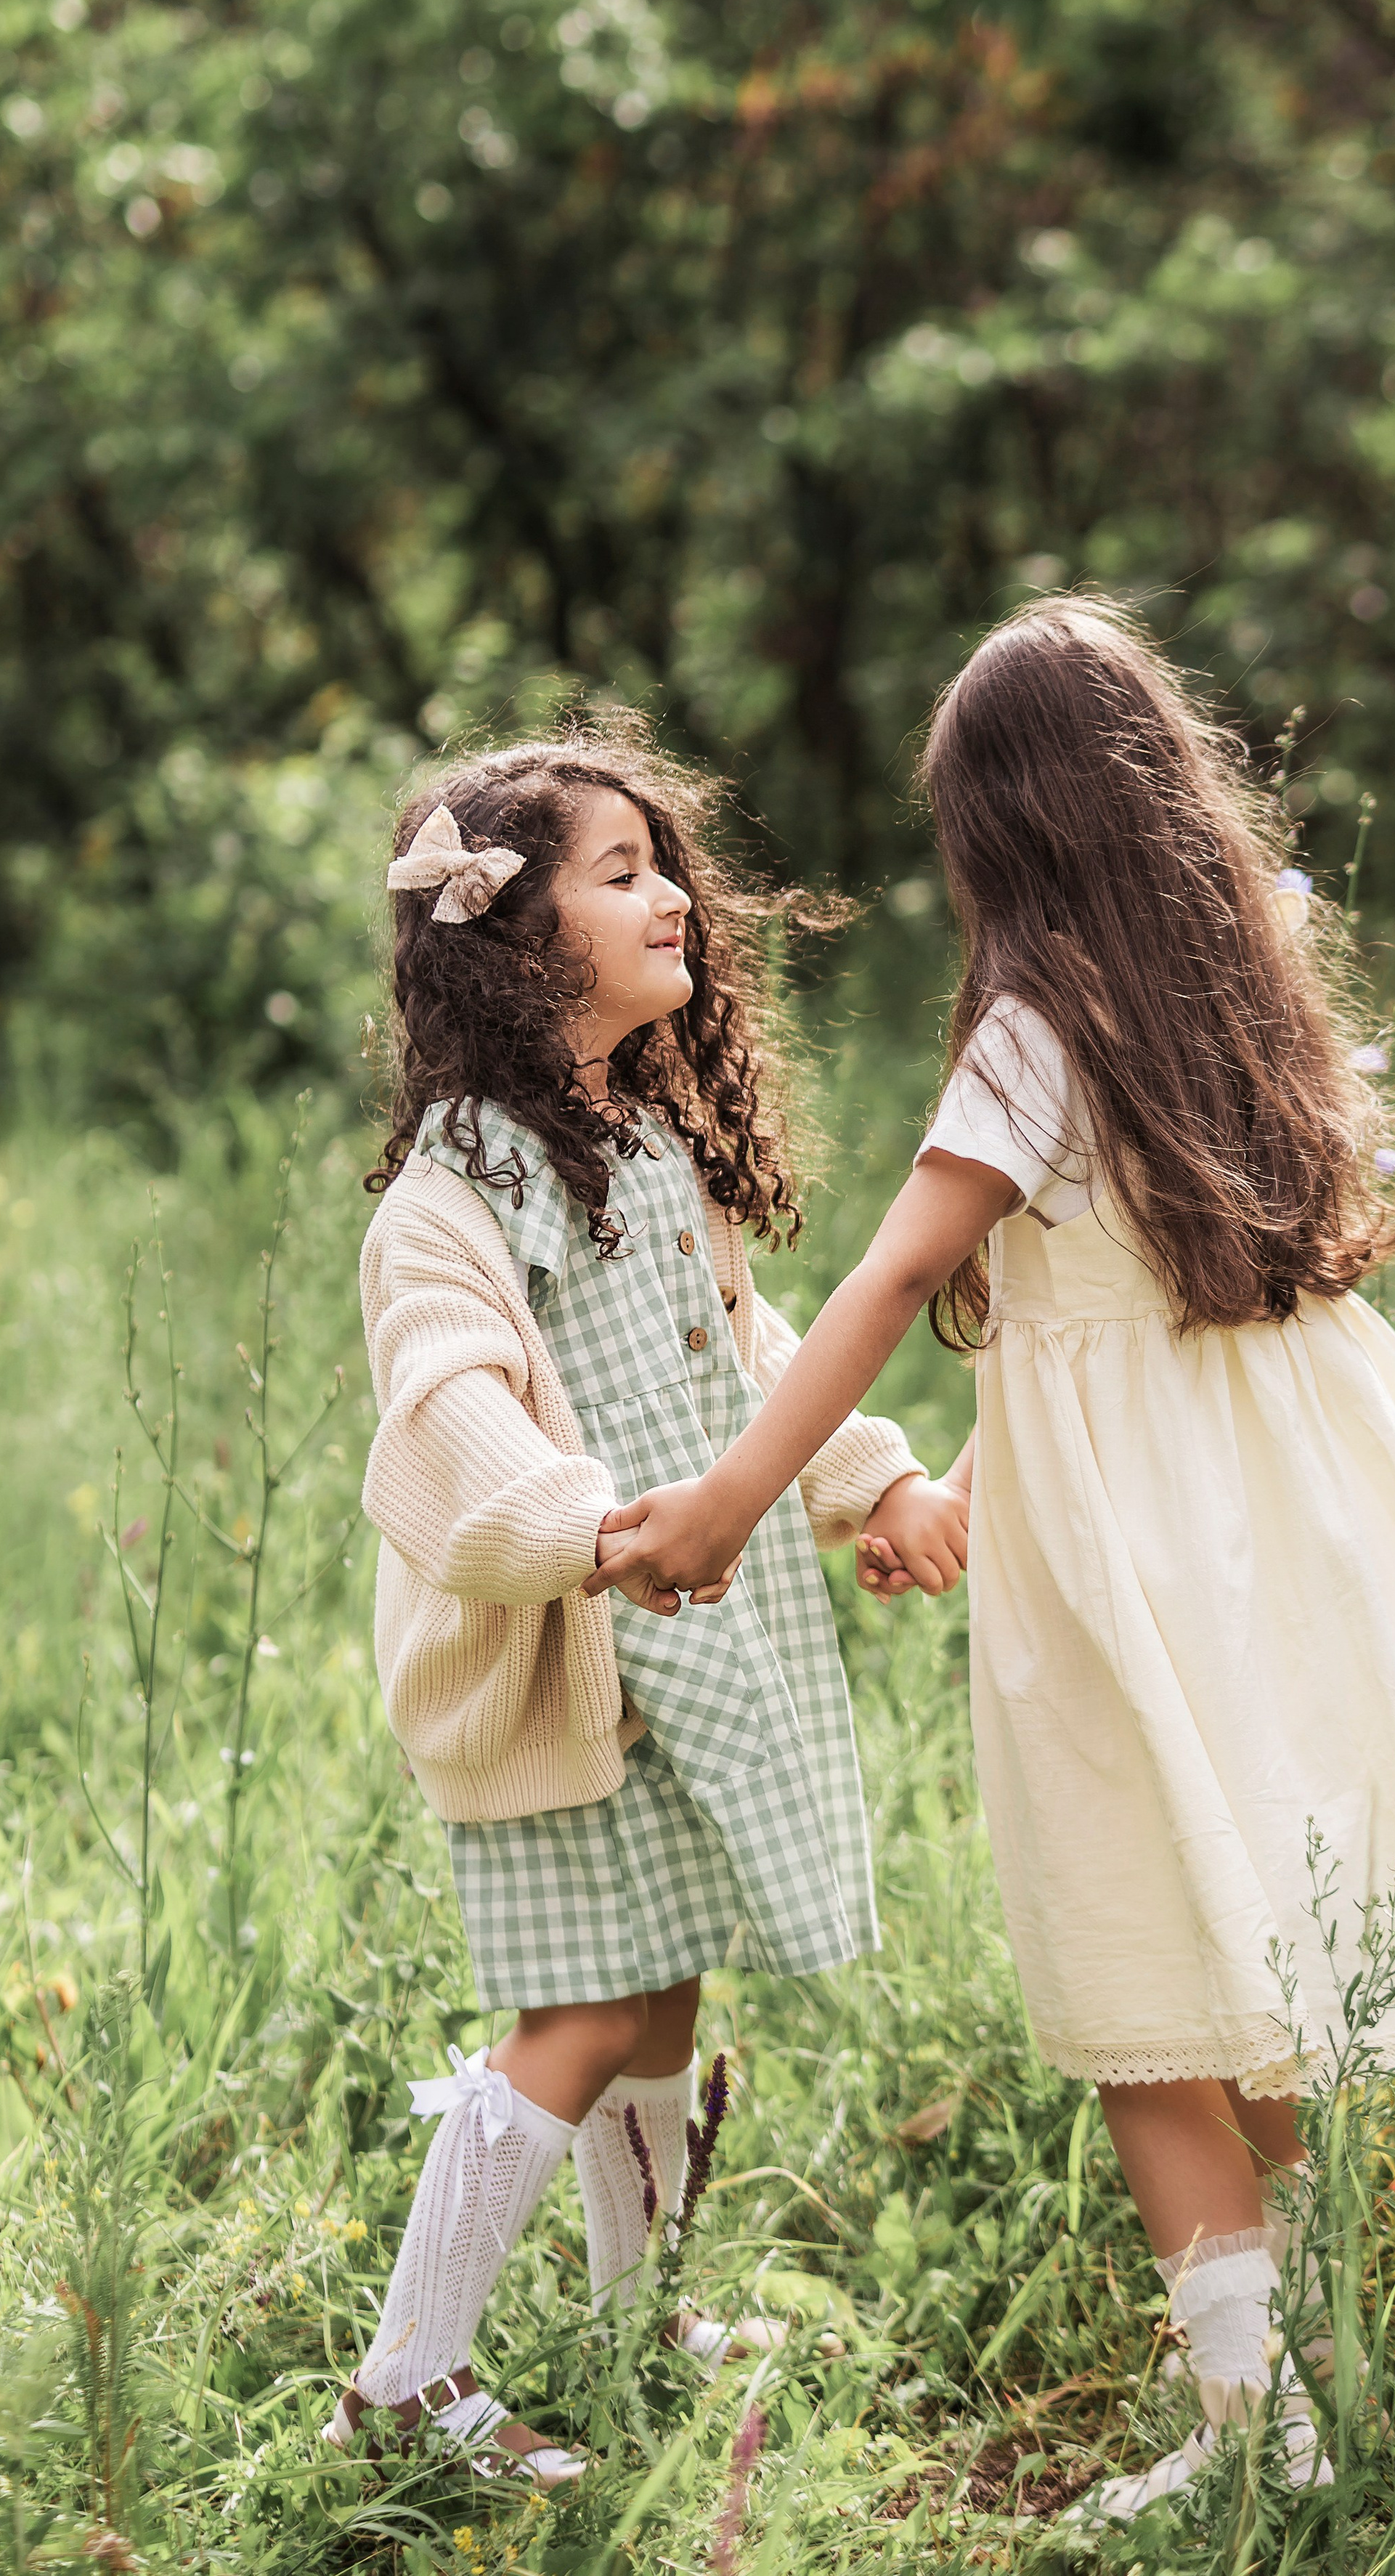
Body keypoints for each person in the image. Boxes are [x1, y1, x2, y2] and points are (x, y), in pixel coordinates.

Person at [590, 599, 1395, 2518]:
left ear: (995, 834)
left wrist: (733, 1498)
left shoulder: (1033, 1026)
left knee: (1146, 1988)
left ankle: (1260, 2438)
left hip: (1132, 1568)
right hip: (1278, 1508)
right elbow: (1134, 1304)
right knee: (1244, 1948)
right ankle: (1331, 2380)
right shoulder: (1244, 970)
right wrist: (975, 1472)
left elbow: (905, 1271)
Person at [325, 722, 968, 2488]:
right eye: (620, 875)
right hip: (566, 1661)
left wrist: (871, 1482)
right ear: (517, 945)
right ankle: (403, 2377)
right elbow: (444, 1401)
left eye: (661, 862)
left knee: (662, 1994)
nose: (673, 890)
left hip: (692, 1642)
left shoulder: (648, 1141)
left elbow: (746, 1359)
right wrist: (590, 1528)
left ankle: (630, 2318)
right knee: (581, 2013)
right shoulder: (457, 1190)